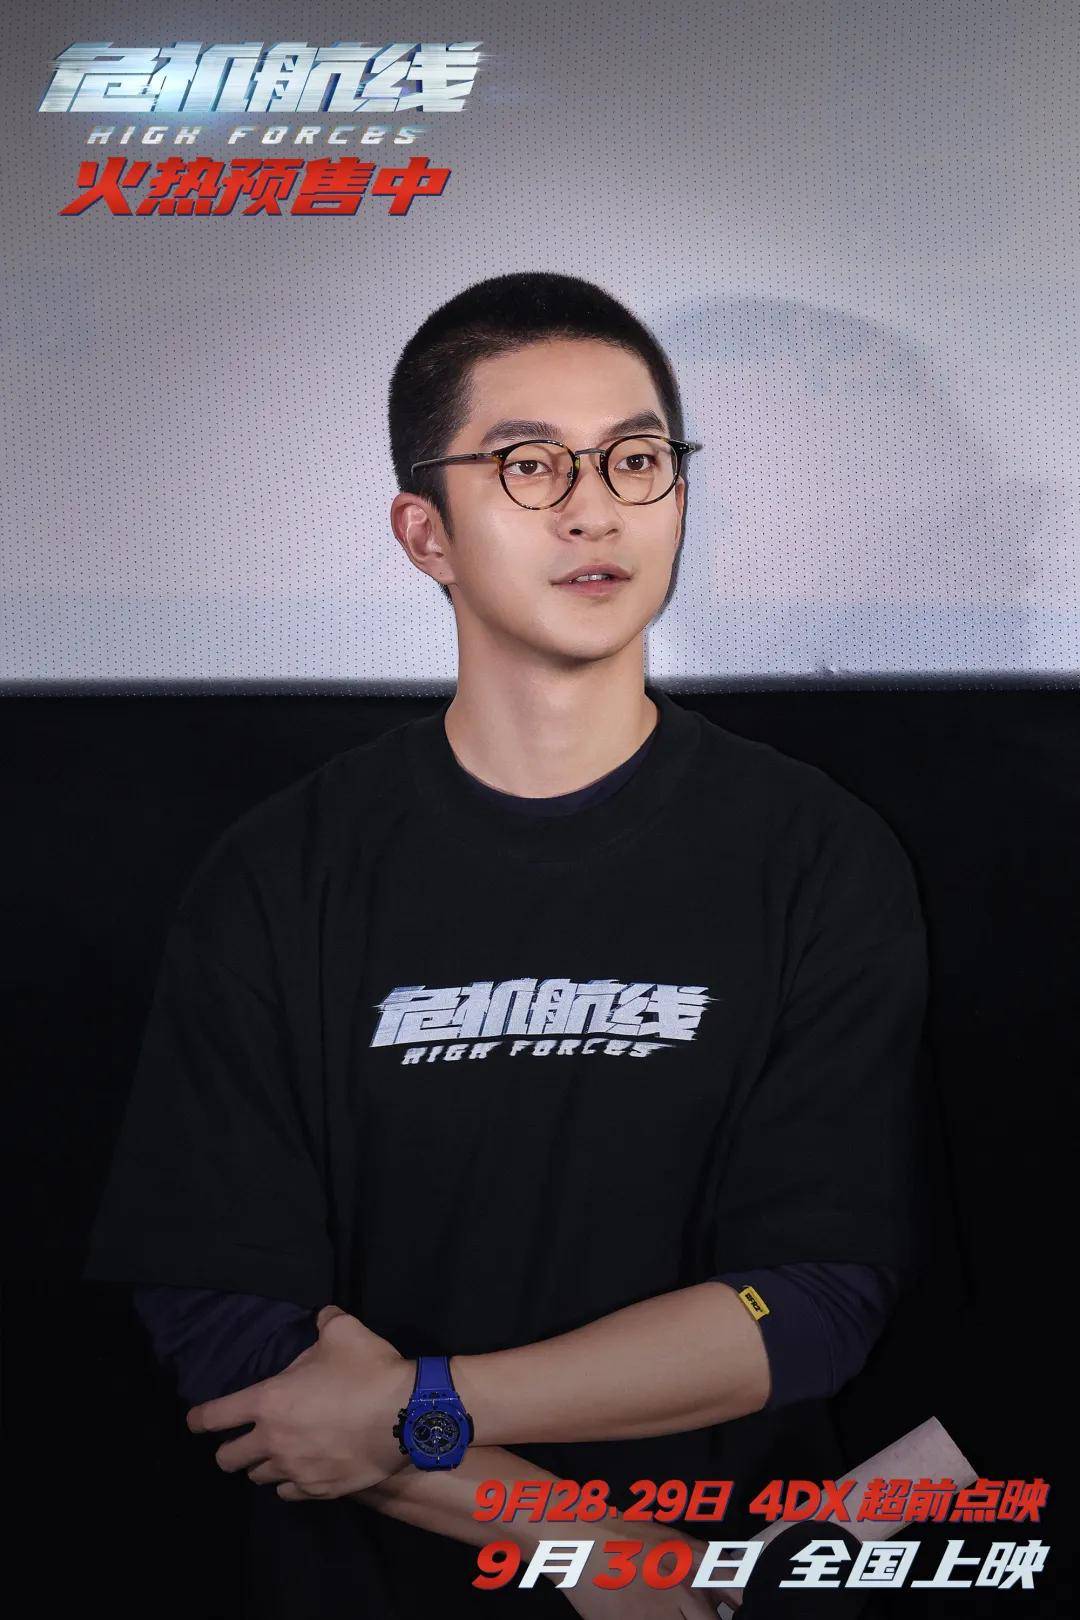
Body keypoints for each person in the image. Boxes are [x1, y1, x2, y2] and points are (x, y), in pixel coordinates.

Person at [81, 272, 930, 1618]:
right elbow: (229, 1330)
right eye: (530, 465)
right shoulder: (281, 872)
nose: (594, 509)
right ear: (425, 531)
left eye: (635, 460)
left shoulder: (816, 853)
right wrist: (578, 1540)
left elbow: (811, 1301)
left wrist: (421, 1403)